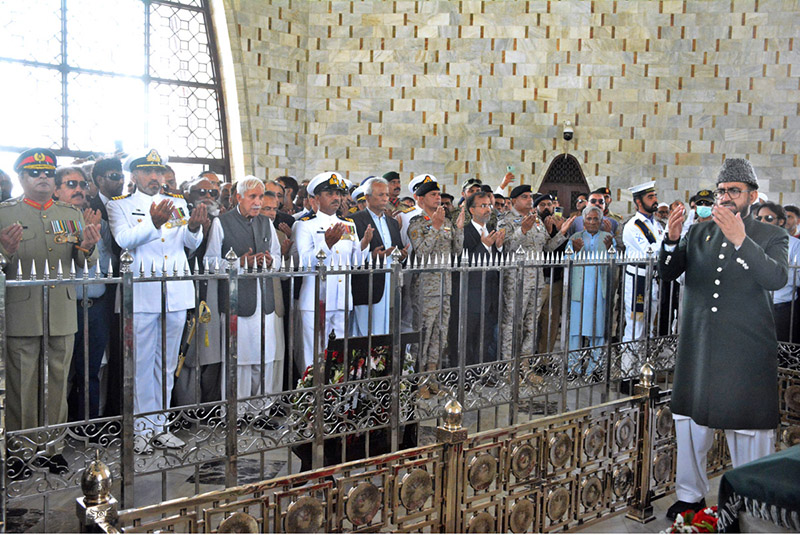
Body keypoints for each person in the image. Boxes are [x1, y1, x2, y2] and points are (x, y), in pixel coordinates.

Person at [659, 158, 788, 520]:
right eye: (722, 191)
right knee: (690, 421)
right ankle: (689, 494)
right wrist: (671, 239)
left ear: (752, 196)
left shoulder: (772, 235)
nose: (726, 197)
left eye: (734, 191)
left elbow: (776, 278)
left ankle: (751, 499)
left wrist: (740, 240)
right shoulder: (699, 232)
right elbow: (668, 273)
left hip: (744, 347)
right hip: (699, 345)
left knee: (747, 425)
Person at [0, 149, 100, 476]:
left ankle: (51, 448)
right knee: (22, 384)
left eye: (47, 173)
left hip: (61, 311)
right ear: (21, 177)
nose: (42, 178)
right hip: (22, 313)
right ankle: (18, 451)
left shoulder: (70, 213)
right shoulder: (5, 214)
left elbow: (85, 261)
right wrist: (5, 251)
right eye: (34, 173)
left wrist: (87, 246)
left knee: (57, 382)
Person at [107, 149, 208, 454]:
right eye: (148, 173)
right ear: (134, 176)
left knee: (166, 364)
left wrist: (193, 229)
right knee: (141, 363)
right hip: (143, 294)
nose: (155, 178)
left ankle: (160, 426)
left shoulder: (178, 203)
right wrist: (152, 224)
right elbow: (123, 240)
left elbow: (189, 246)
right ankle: (139, 429)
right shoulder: (120, 206)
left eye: (159, 173)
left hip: (175, 292)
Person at [205, 178, 283, 401]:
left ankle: (261, 411)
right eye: (253, 197)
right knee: (238, 361)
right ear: (238, 198)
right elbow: (210, 262)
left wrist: (269, 262)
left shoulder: (266, 223)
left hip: (264, 302)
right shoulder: (222, 223)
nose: (258, 202)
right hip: (237, 302)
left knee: (263, 359)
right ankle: (236, 414)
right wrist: (240, 263)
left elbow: (278, 259)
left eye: (261, 197)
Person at [295, 172, 371, 368]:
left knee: (339, 353)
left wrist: (364, 245)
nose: (336, 198)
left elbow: (355, 264)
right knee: (314, 353)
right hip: (316, 299)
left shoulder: (348, 225)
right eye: (329, 193)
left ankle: (335, 394)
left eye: (338, 193)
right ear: (315, 199)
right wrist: (326, 245)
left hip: (341, 298)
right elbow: (304, 263)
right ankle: (311, 394)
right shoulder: (305, 226)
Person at [52, 166, 110, 422]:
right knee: (60, 371)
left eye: (82, 184)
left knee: (91, 371)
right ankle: (57, 428)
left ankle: (87, 426)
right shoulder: (54, 222)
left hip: (96, 305)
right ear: (56, 190)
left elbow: (109, 265)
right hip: (64, 306)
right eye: (71, 184)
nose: (79, 189)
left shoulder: (103, 223)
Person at [497, 185, 573, 359]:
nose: (529, 200)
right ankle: (509, 366)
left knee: (531, 324)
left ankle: (525, 365)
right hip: (517, 281)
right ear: (513, 201)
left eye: (530, 196)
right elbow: (506, 248)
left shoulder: (536, 220)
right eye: (524, 197)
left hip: (537, 280)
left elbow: (546, 247)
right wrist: (522, 231)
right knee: (513, 324)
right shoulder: (505, 221)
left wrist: (561, 233)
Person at [408, 175, 465, 397]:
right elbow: (421, 252)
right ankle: (417, 381)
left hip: (445, 287)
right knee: (423, 335)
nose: (438, 198)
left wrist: (458, 229)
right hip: (426, 289)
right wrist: (435, 227)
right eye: (433, 195)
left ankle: (432, 378)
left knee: (439, 335)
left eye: (439, 194)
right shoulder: (417, 223)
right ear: (421, 199)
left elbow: (458, 252)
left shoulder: (447, 221)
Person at [350, 177, 406, 336]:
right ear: (367, 197)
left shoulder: (392, 222)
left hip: (390, 284)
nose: (385, 199)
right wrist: (371, 256)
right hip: (367, 285)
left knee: (386, 331)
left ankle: (381, 361)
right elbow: (351, 255)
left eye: (387, 195)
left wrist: (402, 255)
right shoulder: (355, 220)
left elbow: (398, 249)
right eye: (380, 195)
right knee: (364, 332)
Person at [621, 181, 664, 377]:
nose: (655, 200)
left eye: (655, 196)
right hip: (638, 280)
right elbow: (653, 251)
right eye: (650, 197)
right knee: (635, 327)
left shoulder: (656, 225)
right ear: (638, 202)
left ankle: (644, 371)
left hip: (653, 279)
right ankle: (626, 373)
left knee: (648, 329)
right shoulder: (633, 226)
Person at [567, 205, 615, 376]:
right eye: (589, 219)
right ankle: (573, 368)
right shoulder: (575, 237)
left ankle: (594, 369)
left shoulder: (608, 237)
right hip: (579, 292)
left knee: (598, 331)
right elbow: (565, 262)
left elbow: (615, 262)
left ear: (601, 221)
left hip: (598, 292)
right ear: (583, 221)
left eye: (596, 219)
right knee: (575, 331)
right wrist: (575, 251)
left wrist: (610, 249)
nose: (593, 222)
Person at [462, 190, 504, 365]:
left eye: (489, 205)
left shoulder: (492, 231)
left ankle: (484, 370)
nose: (488, 210)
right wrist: (484, 246)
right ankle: (468, 373)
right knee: (469, 338)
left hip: (491, 296)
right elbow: (463, 262)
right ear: (472, 210)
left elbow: (498, 266)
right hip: (472, 296)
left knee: (486, 338)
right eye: (483, 206)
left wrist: (499, 248)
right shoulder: (465, 232)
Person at [754, 202, 800, 343]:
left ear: (780, 221)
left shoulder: (794, 244)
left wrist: (775, 272)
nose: (762, 222)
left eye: (768, 218)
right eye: (759, 218)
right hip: (755, 306)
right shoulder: (751, 242)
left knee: (780, 349)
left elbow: (797, 277)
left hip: (781, 308)